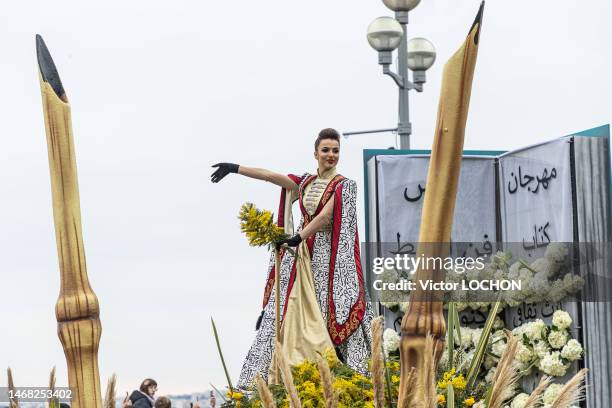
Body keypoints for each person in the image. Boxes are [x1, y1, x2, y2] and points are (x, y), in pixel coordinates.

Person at [211, 128, 374, 388]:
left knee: (327, 310)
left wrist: (299, 236)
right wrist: (236, 168)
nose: (331, 155)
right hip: (301, 255)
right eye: (326, 150)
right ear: (316, 153)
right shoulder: (306, 182)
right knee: (283, 308)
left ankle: (342, 378)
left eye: (335, 150)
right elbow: (270, 177)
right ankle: (275, 378)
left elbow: (325, 217)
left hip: (327, 260)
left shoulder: (345, 185)